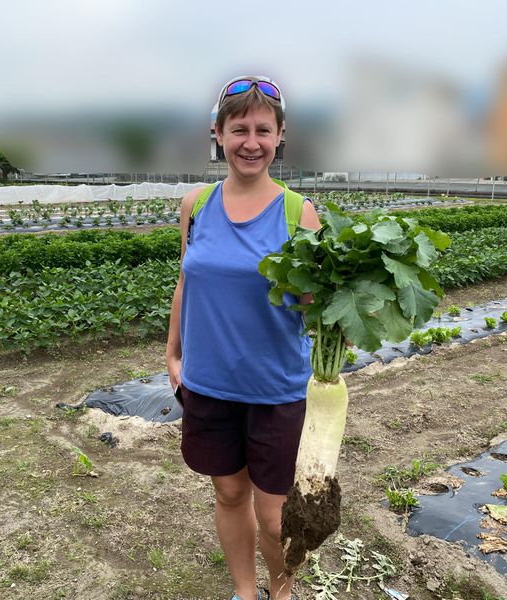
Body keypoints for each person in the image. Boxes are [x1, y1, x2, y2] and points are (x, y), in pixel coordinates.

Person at [165, 76, 321, 600]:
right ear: (218, 134)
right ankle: (245, 592)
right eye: (238, 130)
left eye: (262, 130)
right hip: (209, 382)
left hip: (275, 386)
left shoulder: (300, 213)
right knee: (229, 493)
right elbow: (187, 280)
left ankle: (282, 591)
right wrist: (173, 354)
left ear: (281, 136)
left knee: (274, 515)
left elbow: (313, 306)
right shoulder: (196, 205)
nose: (250, 142)